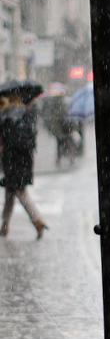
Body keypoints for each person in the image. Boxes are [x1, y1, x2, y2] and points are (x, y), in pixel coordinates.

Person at [0, 92, 47, 239]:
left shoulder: (6, 116)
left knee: (20, 193)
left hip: (11, 161)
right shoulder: (27, 114)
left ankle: (37, 220)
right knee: (10, 193)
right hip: (25, 161)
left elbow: (2, 141)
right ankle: (4, 224)